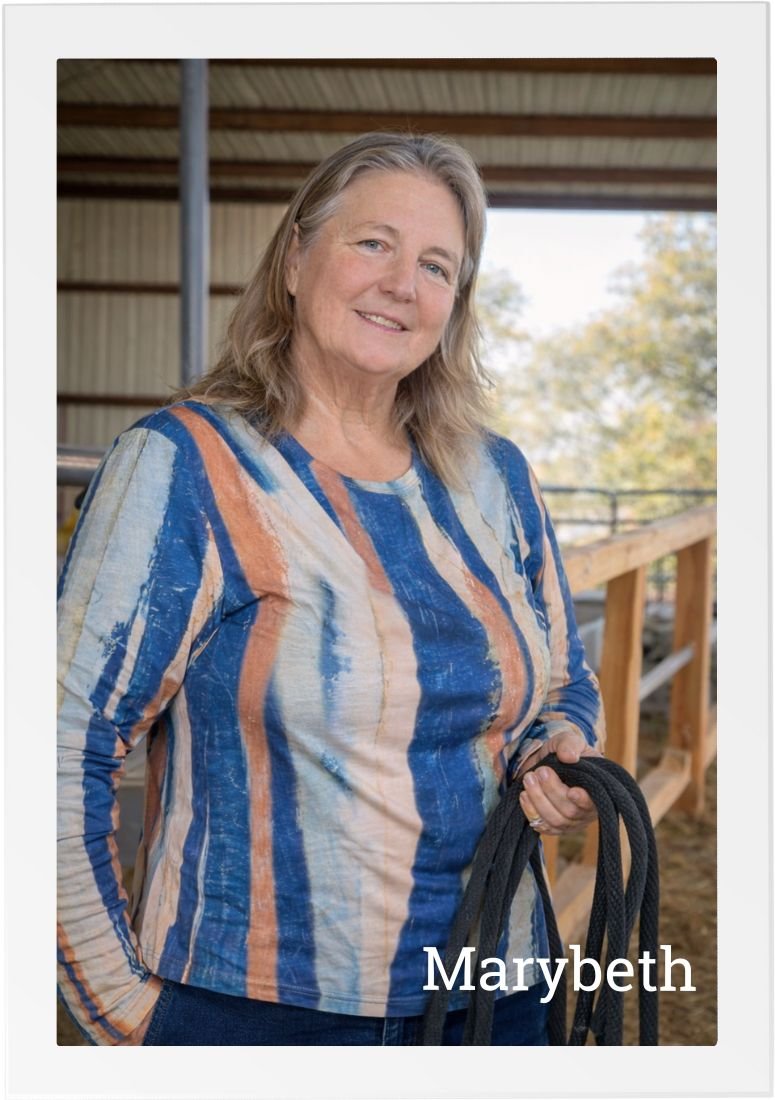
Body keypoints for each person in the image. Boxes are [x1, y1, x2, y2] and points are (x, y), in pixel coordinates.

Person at [57, 131, 605, 1047]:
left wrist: (557, 754)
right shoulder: (187, 466)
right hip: (263, 1011)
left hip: (497, 991)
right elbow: (58, 738)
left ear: (454, 304)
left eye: (436, 264)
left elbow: (560, 681)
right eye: (372, 243)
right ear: (296, 258)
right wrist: (119, 1005)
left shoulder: (493, 478)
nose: (403, 282)